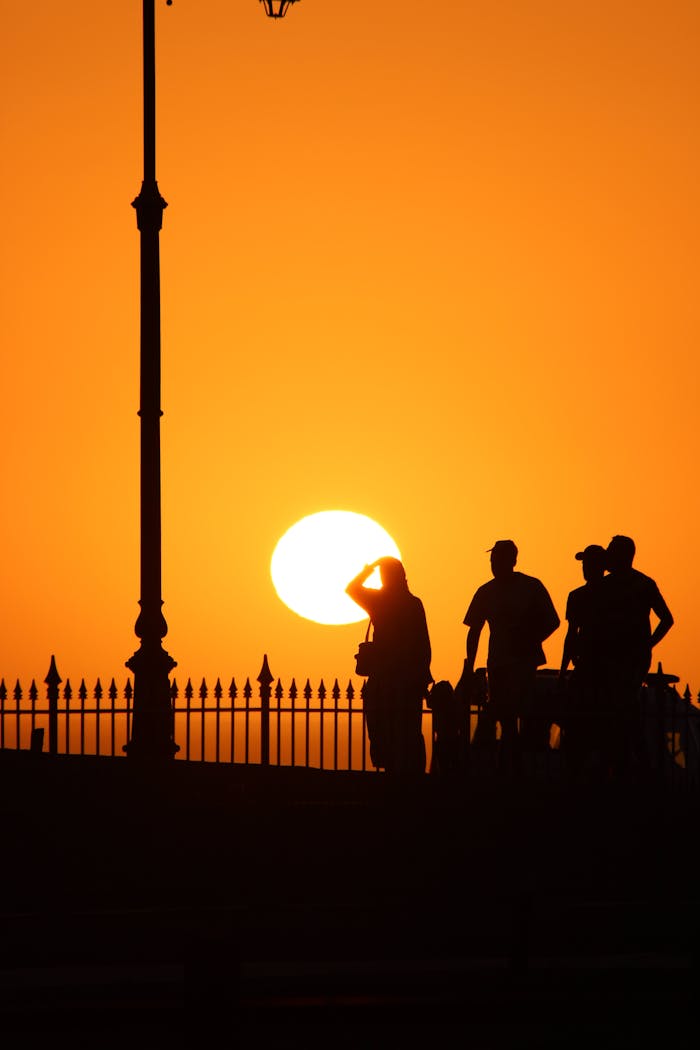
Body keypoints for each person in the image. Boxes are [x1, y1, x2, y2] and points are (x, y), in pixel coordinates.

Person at [458, 540, 560, 771]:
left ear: (512, 561)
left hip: (523, 663)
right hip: (498, 664)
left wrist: (530, 640)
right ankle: (508, 766)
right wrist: (469, 666)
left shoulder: (531, 587)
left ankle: (512, 766)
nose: (494, 565)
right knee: (505, 716)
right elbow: (474, 630)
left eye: (498, 560)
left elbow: (552, 621)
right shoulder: (486, 592)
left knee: (515, 713)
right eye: (492, 561)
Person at [346, 556, 432, 775]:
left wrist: (369, 569)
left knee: (387, 727)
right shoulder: (412, 603)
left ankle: (395, 771)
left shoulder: (380, 601)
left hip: (389, 676)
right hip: (404, 676)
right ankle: (405, 772)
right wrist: (422, 674)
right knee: (404, 728)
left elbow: (352, 588)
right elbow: (424, 643)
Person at [600, 535, 674, 775]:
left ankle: (632, 763)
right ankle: (631, 763)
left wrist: (647, 644)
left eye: (612, 552)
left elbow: (667, 619)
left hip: (631, 658)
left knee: (623, 707)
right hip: (612, 657)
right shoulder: (608, 585)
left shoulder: (642, 584)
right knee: (620, 709)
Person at [558, 544, 609, 773]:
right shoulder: (577, 595)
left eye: (589, 563)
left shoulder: (612, 594)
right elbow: (571, 635)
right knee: (578, 722)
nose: (585, 568)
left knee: (600, 724)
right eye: (584, 564)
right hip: (585, 667)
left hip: (604, 668)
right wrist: (562, 671)